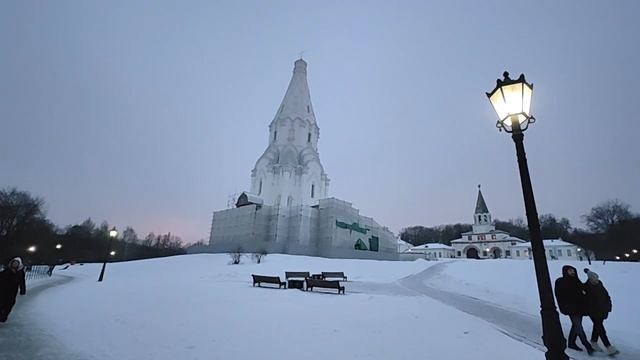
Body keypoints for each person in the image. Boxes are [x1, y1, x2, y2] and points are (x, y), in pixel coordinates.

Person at [554, 265, 594, 355]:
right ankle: (587, 346)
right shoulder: (561, 281)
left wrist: (589, 281)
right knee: (578, 326)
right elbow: (560, 295)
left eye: (573, 270)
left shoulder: (576, 280)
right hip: (571, 308)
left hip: (579, 308)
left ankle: (571, 343)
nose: (572, 272)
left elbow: (583, 288)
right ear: (565, 271)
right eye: (570, 270)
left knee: (576, 325)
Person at [583, 269, 619, 356]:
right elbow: (586, 301)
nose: (596, 280)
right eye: (594, 278)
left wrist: (608, 307)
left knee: (597, 327)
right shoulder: (586, 287)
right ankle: (609, 347)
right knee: (601, 328)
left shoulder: (600, 285)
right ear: (590, 279)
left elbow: (607, 296)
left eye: (597, 278)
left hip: (602, 311)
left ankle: (594, 341)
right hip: (593, 312)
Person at [0, 257, 27, 323]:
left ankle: (4, 316)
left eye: (16, 263)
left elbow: (22, 282)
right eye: (13, 263)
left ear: (19, 264)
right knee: (1, 303)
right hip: (3, 289)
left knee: (9, 304)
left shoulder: (20, 273)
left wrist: (22, 290)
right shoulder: (6, 270)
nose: (14, 264)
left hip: (12, 291)